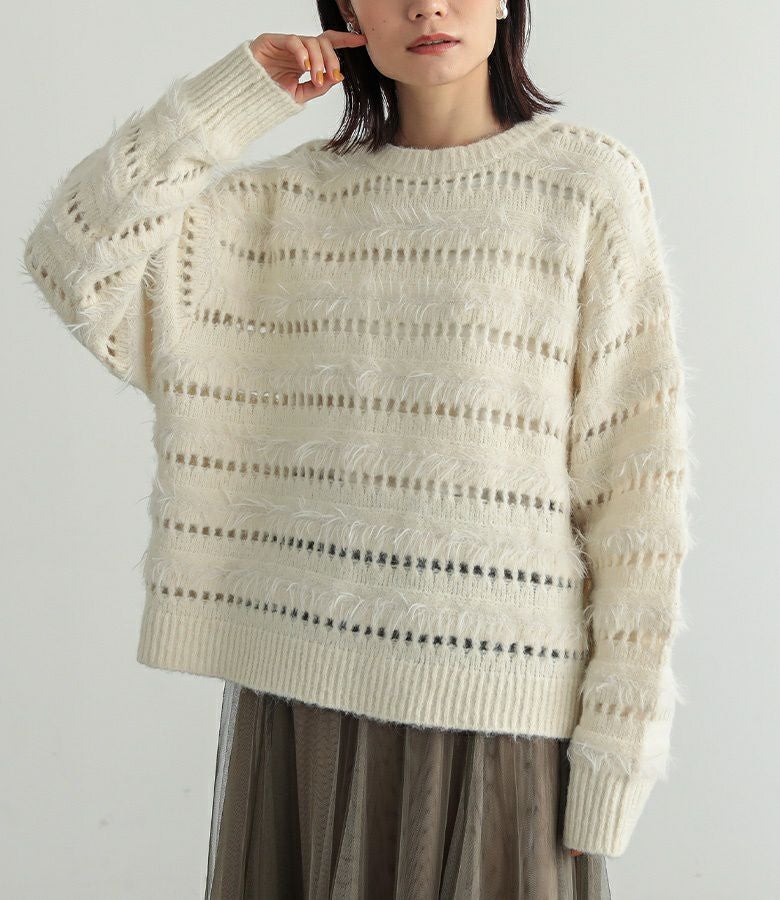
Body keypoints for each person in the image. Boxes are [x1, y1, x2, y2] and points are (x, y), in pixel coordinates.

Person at [22, 2, 691, 897]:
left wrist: (616, 758)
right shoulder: (275, 206)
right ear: (344, 11)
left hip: (496, 708)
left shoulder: (586, 185)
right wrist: (236, 94)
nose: (426, 5)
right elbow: (71, 256)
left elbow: (637, 496)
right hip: (304, 700)